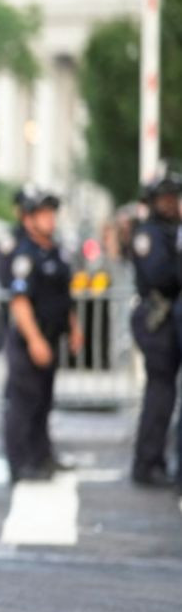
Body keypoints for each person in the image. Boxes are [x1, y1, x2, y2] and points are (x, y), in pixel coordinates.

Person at [0, 188, 83, 482]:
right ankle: (20, 464)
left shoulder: (55, 250)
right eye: (43, 214)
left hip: (52, 337)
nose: (50, 220)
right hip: (30, 341)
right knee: (24, 402)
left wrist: (74, 327)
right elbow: (20, 302)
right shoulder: (25, 254)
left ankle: (41, 456)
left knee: (44, 401)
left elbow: (63, 295)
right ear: (30, 219)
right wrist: (35, 340)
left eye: (52, 213)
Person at [130, 172, 181, 488]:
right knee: (160, 392)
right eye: (165, 198)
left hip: (171, 315)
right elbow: (161, 275)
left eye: (173, 198)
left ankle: (159, 460)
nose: (171, 204)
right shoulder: (148, 234)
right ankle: (147, 463)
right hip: (157, 316)